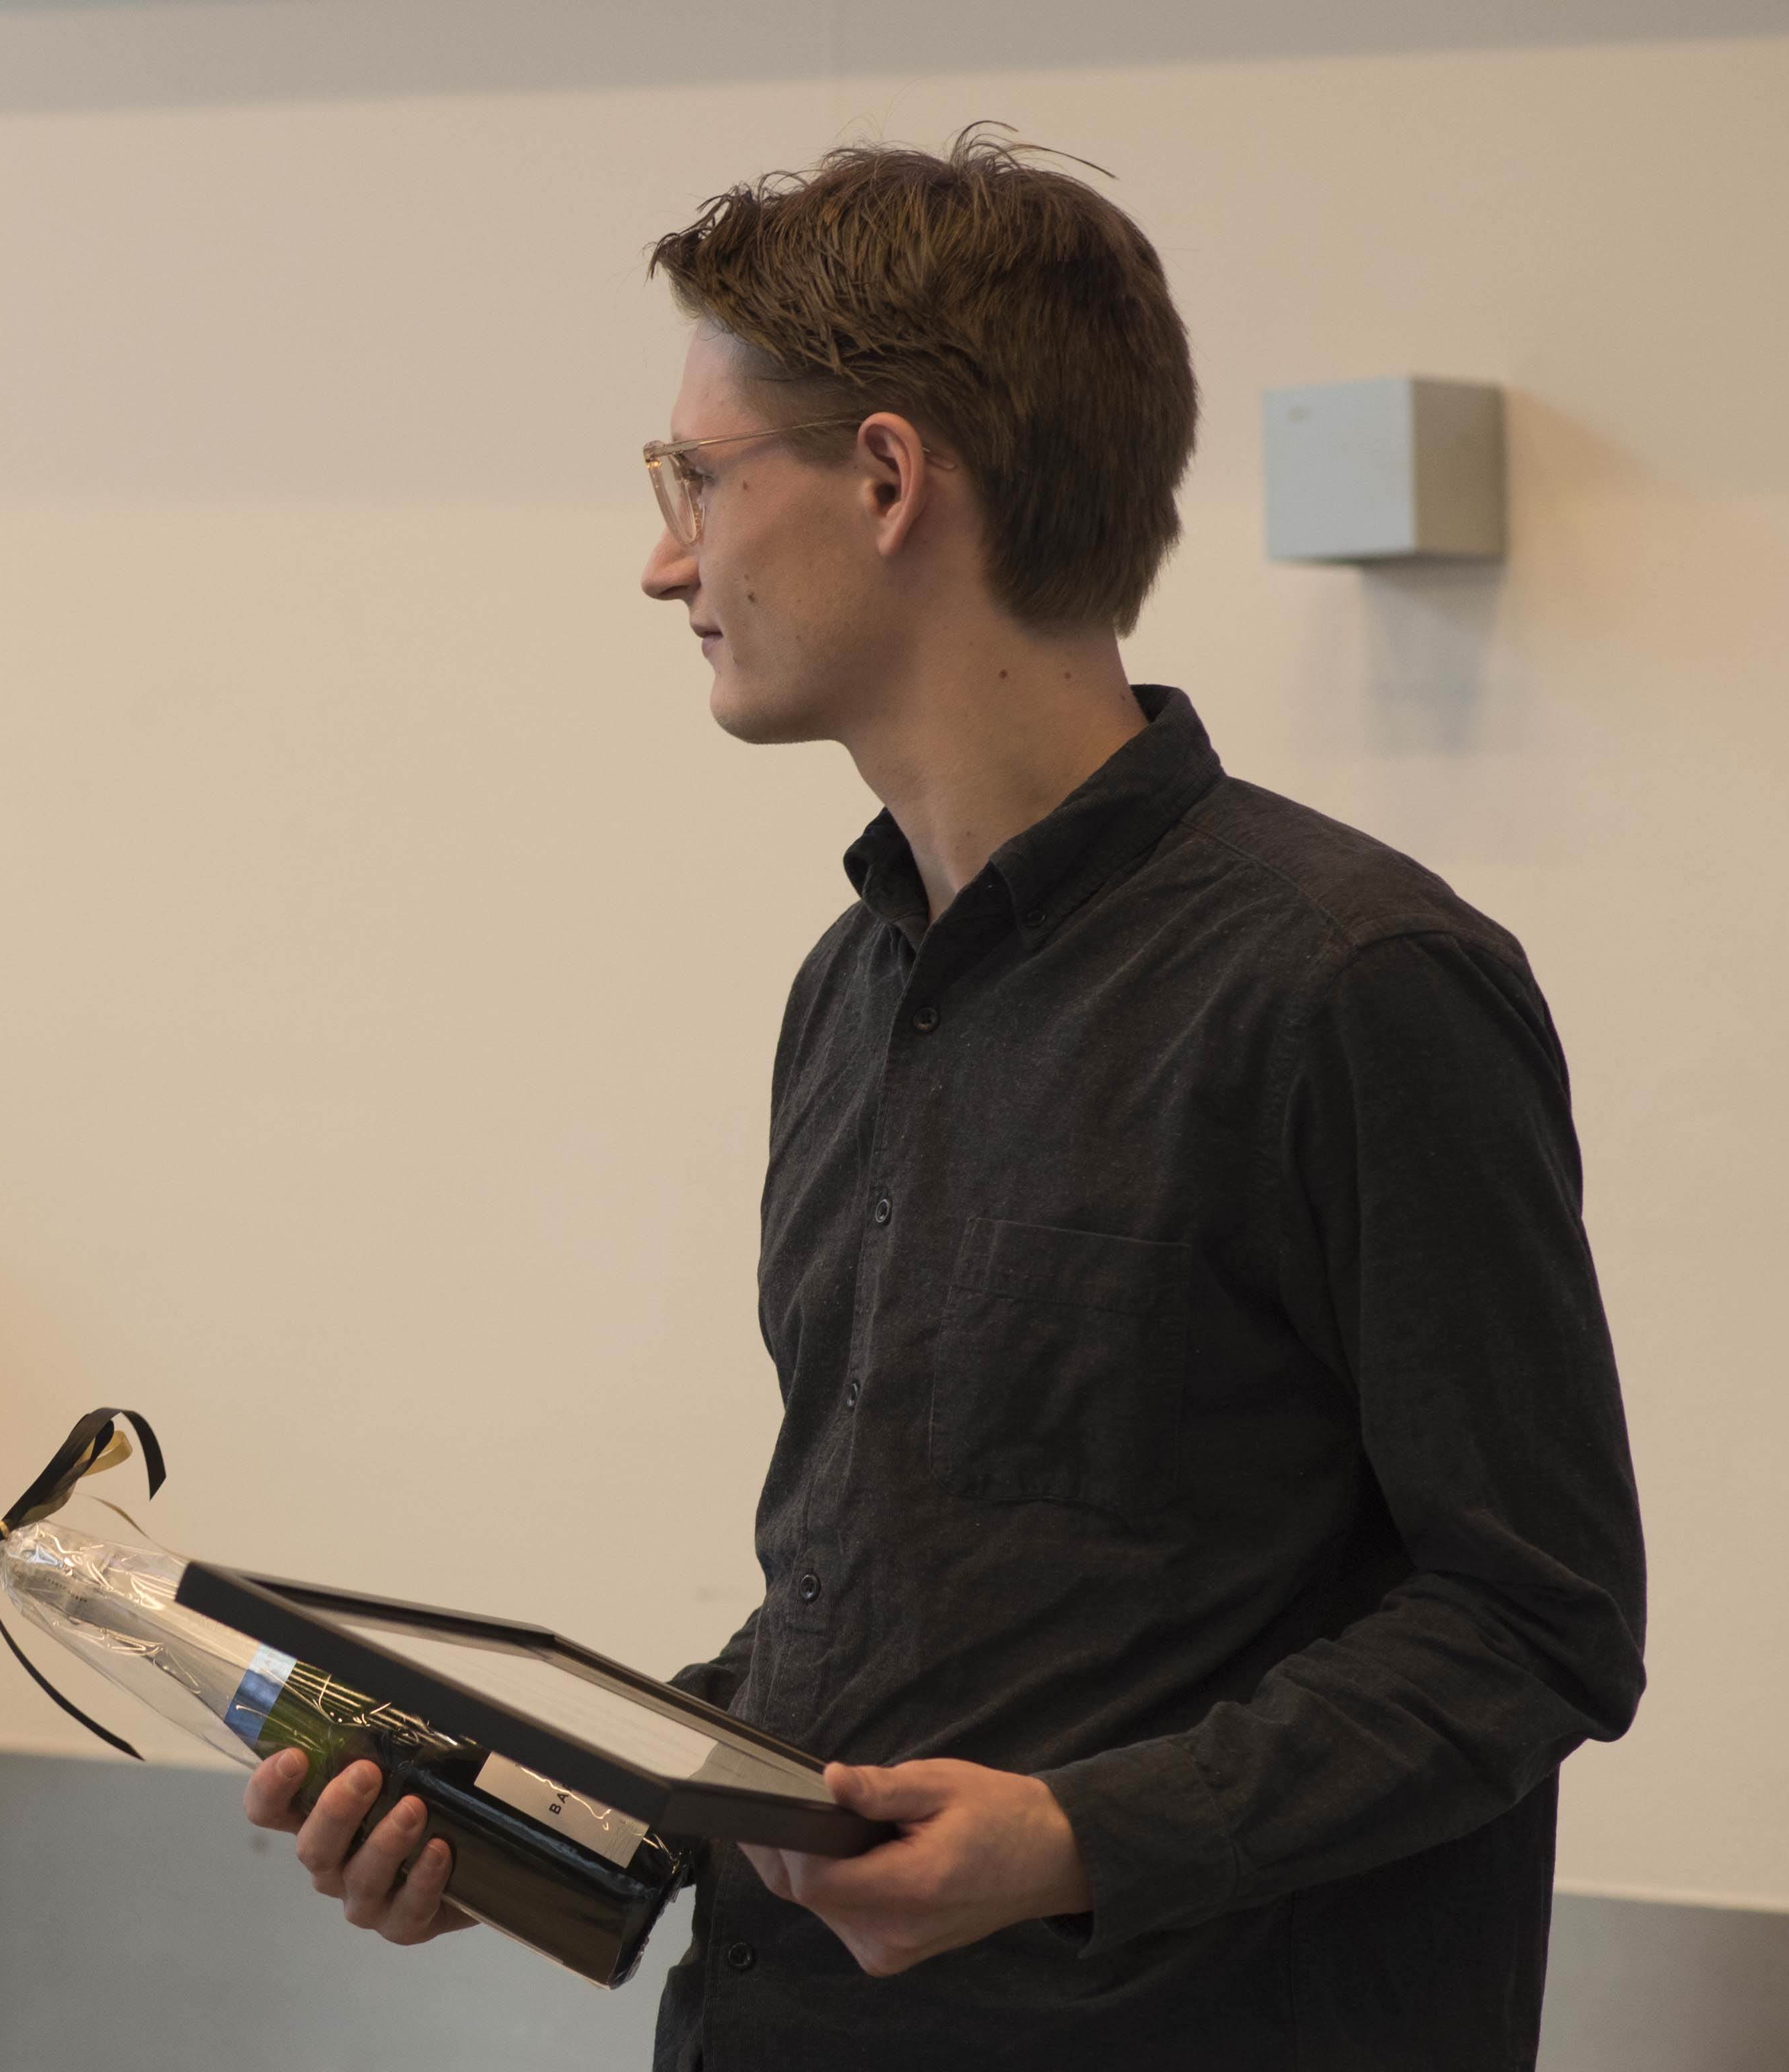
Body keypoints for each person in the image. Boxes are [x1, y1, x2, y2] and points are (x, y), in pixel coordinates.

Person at [243, 131, 1647, 2069]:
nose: (665, 559)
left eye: (696, 479)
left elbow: (1532, 1623)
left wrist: (1079, 1839)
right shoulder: (853, 984)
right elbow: (890, 1610)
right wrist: (558, 1814)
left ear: (890, 479)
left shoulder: (1353, 983)